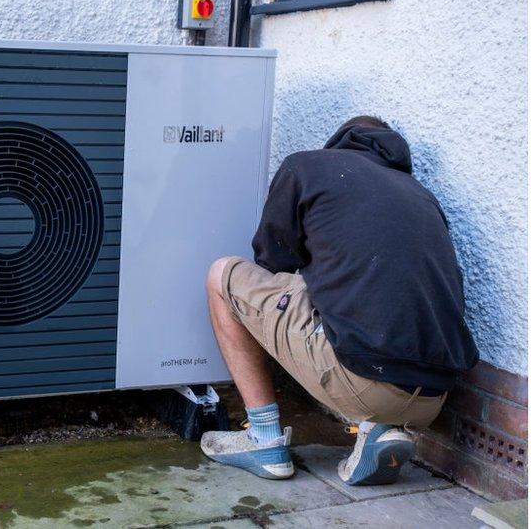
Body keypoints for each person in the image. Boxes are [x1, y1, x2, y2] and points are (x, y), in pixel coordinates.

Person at [199, 116, 479, 485]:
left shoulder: (307, 166)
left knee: (223, 275)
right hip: (434, 399)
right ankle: (379, 430)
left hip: (361, 381)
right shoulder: (421, 195)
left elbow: (271, 263)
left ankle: (263, 439)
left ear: (340, 142)